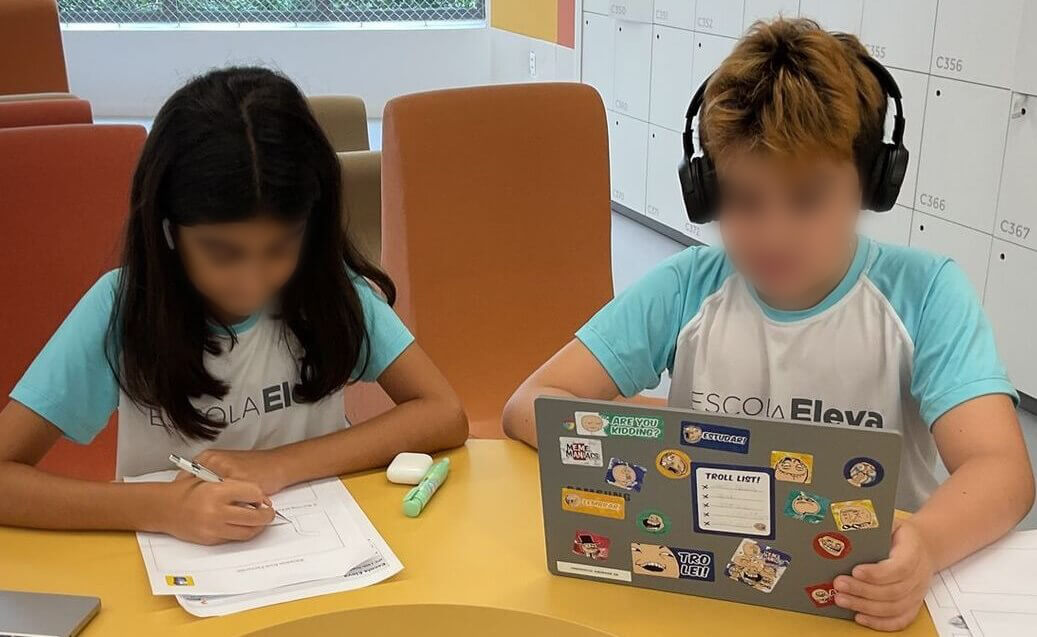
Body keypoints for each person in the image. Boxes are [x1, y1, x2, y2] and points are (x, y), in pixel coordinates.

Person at [503, 19, 1033, 631]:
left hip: (867, 597)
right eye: (745, 200)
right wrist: (650, 432)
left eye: (808, 199)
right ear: (709, 193)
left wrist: (928, 549)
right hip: (704, 596)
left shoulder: (927, 294)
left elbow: (1002, 470)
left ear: (869, 183)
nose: (772, 234)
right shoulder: (687, 287)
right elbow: (529, 405)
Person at [0, 67, 467, 545]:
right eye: (222, 253)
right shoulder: (124, 308)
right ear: (168, 231)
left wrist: (281, 465)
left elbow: (443, 412)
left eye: (281, 248)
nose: (252, 280)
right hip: (175, 568)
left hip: (324, 548)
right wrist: (161, 507)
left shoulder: (328, 290)